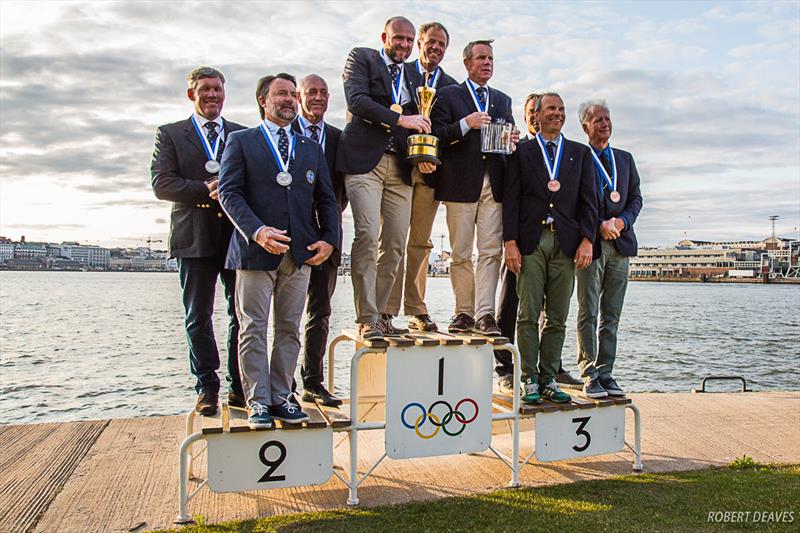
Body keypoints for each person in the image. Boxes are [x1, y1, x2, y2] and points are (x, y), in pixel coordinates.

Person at [218, 73, 339, 429]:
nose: (289, 99)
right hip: (254, 253)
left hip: (298, 255)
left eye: (292, 94)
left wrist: (329, 240)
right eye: (281, 94)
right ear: (263, 101)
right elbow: (229, 193)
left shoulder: (309, 148)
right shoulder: (241, 141)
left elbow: (327, 200)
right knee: (252, 328)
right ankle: (257, 402)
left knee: (289, 329)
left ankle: (282, 396)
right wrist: (257, 231)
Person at [151, 66, 245, 416]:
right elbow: (162, 183)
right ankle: (207, 387)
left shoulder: (242, 134)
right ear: (192, 94)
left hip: (236, 237)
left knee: (242, 314)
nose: (212, 95)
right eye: (205, 89)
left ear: (225, 93)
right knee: (198, 316)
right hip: (194, 237)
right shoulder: (171, 134)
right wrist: (205, 192)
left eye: (218, 89)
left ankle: (239, 387)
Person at [337, 16, 432, 339]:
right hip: (365, 161)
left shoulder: (416, 74)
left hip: (401, 167)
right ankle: (366, 317)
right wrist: (401, 120)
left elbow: (428, 116)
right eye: (399, 38)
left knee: (394, 243)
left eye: (409, 41)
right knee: (365, 233)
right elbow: (357, 101)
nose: (404, 45)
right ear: (385, 37)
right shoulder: (361, 58)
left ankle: (380, 316)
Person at [503, 93, 597, 404]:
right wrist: (510, 242)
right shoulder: (522, 152)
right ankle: (528, 378)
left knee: (558, 317)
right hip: (531, 241)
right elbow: (511, 200)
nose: (557, 114)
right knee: (528, 314)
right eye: (550, 109)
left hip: (567, 244)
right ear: (537, 115)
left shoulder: (579, 153)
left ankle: (548, 379)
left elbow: (589, 203)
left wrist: (587, 240)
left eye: (561, 109)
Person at [429, 39, 519, 335]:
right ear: (467, 63)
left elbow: (508, 141)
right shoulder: (448, 96)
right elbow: (437, 135)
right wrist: (466, 123)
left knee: (491, 251)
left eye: (491, 58)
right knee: (461, 252)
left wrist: (511, 140)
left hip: (494, 184)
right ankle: (463, 313)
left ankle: (485, 315)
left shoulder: (503, 100)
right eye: (481, 57)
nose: (487, 63)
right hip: (459, 185)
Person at [385, 22, 458, 333]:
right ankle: (385, 310)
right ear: (419, 44)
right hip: (399, 170)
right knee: (391, 239)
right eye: (431, 42)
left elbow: (450, 135)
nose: (436, 48)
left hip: (431, 175)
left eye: (442, 44)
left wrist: (433, 159)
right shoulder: (402, 75)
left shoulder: (453, 87)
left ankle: (416, 308)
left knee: (420, 242)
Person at [575, 100, 643, 398]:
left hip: (621, 245)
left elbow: (636, 199)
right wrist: (598, 226)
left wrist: (622, 222)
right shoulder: (577, 157)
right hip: (591, 246)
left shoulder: (625, 159)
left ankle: (606, 372)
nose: (604, 124)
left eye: (607, 119)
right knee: (588, 312)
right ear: (585, 126)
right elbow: (574, 204)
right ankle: (589, 373)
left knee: (611, 315)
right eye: (598, 119)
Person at [291, 74, 346, 407]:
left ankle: (312, 381)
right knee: (284, 315)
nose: (318, 97)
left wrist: (329, 233)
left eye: (324, 93)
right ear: (299, 97)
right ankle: (280, 384)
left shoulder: (339, 139)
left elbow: (342, 192)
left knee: (320, 312)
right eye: (311, 92)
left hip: (327, 236)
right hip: (289, 236)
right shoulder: (281, 135)